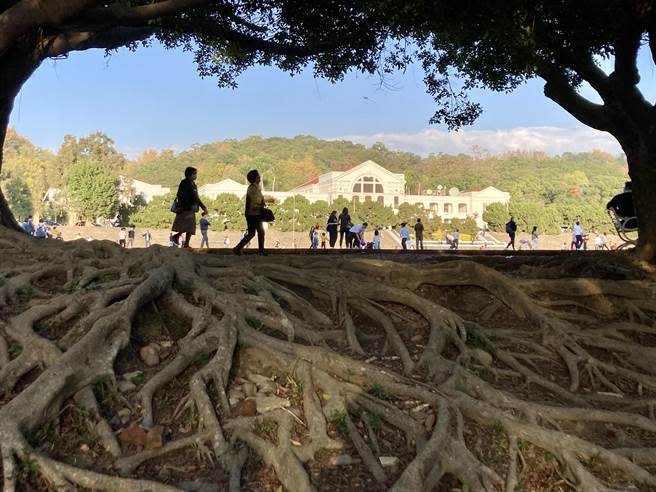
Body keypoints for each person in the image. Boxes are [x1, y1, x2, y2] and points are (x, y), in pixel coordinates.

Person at [234, 169, 270, 256]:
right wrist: (264, 203)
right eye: (258, 176)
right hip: (254, 214)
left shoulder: (254, 187)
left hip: (252, 214)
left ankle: (238, 248)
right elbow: (256, 201)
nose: (260, 177)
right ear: (255, 178)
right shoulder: (253, 188)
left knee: (252, 233)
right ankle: (261, 251)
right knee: (260, 232)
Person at [171, 167, 207, 248]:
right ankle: (183, 241)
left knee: (189, 227)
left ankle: (183, 241)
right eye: (195, 173)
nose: (196, 175)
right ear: (190, 174)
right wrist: (203, 207)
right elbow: (194, 197)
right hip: (185, 208)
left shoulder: (192, 184)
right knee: (188, 226)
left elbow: (195, 197)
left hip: (190, 208)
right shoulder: (186, 183)